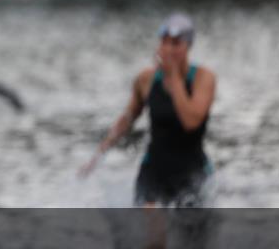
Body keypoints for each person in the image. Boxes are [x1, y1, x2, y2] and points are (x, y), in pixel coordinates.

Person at [79, 12, 215, 207]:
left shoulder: (203, 79)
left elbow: (191, 121)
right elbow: (127, 118)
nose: (169, 49)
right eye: (164, 42)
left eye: (176, 44)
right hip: (154, 170)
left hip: (192, 171)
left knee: (192, 235)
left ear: (188, 47)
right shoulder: (146, 79)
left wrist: (174, 77)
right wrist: (97, 156)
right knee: (153, 233)